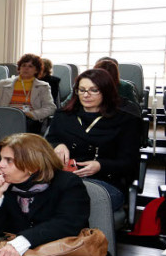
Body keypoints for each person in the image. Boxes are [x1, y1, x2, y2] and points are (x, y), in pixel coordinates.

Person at [45, 69, 140, 211]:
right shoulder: (63, 116)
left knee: (69, 203)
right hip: (64, 178)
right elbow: (47, 143)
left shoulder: (126, 121)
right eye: (81, 90)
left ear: (106, 91)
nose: (86, 95)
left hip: (105, 182)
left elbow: (129, 163)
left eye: (94, 90)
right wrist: (57, 145)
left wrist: (100, 165)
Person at [0, 53, 56, 133]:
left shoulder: (43, 86)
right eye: (24, 65)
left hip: (30, 119)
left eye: (30, 66)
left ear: (36, 70)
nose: (26, 68)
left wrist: (32, 114)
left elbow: (50, 108)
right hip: (7, 117)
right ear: (19, 68)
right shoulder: (4, 84)